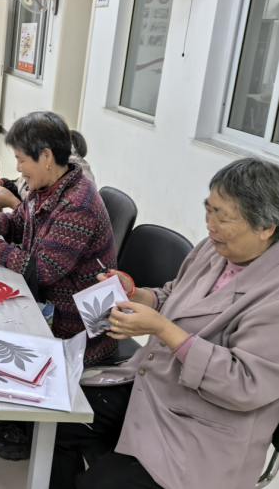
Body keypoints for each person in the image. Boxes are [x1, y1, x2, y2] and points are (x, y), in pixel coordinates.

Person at [49, 158, 279, 489]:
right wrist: (137, 294)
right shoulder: (213, 250)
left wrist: (162, 329)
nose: (210, 225)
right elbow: (175, 295)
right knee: (55, 419)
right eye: (208, 210)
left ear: (266, 227)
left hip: (203, 425)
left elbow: (245, 383)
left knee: (99, 484)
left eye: (223, 217)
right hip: (154, 383)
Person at [0, 111, 115, 367]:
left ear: (46, 157)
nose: (18, 168)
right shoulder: (48, 186)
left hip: (74, 334)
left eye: (21, 160)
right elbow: (19, 223)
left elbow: (41, 271)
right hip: (45, 307)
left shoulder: (78, 205)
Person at [0, 129, 97, 210]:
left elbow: (41, 225)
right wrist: (2, 184)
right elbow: (22, 187)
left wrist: (13, 203)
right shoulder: (47, 163)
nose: (19, 169)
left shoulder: (76, 191)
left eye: (22, 160)